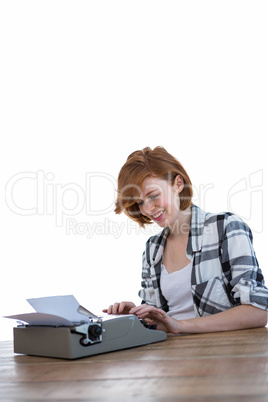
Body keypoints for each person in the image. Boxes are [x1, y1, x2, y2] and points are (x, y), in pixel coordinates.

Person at [103, 146, 268, 333]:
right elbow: (159, 322)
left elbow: (258, 311)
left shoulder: (225, 227)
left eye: (153, 195)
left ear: (178, 184)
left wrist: (180, 326)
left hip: (224, 354)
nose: (148, 209)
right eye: (140, 202)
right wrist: (136, 314)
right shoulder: (152, 249)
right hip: (172, 356)